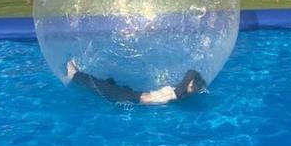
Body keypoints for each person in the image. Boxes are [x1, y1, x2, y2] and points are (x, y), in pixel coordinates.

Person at [66, 60, 207, 104]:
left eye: (191, 84)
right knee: (108, 85)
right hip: (135, 96)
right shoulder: (182, 93)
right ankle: (77, 75)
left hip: (134, 98)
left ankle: (74, 75)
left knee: (102, 87)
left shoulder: (180, 91)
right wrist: (200, 84)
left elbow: (191, 72)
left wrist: (196, 80)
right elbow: (191, 75)